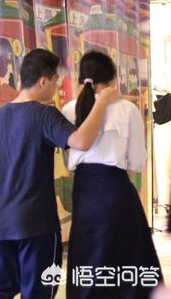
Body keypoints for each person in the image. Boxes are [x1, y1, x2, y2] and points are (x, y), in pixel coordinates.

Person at [0, 48, 119, 299]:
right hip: (37, 228)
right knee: (39, 293)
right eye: (54, 80)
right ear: (43, 81)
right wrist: (103, 100)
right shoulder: (45, 115)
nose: (56, 85)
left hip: (0, 227)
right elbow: (82, 141)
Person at [61, 50, 163, 298]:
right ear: (113, 77)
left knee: (87, 252)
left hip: (84, 190)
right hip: (116, 189)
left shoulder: (69, 109)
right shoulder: (127, 109)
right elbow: (136, 162)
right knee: (124, 254)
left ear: (81, 77)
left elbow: (68, 161)